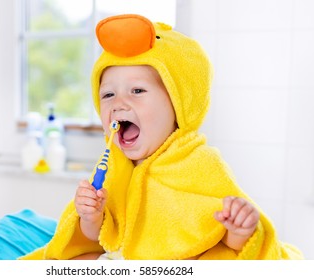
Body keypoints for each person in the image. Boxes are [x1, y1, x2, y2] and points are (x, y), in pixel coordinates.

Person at [20, 14, 303, 260]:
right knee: (72, 263)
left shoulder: (199, 164)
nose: (118, 102)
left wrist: (239, 230)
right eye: (108, 94)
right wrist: (90, 217)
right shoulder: (111, 167)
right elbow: (99, 239)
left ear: (178, 104)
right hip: (123, 262)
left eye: (137, 91)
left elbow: (219, 242)